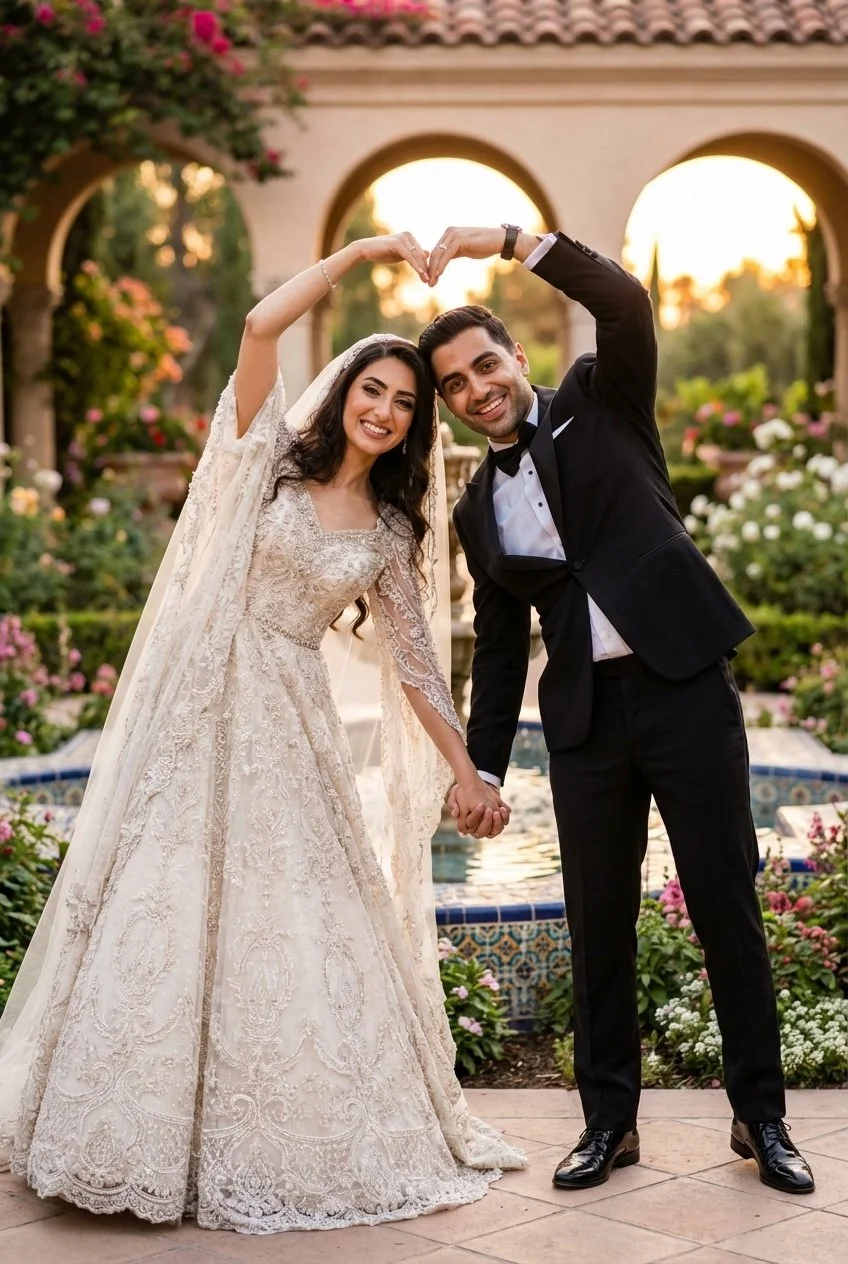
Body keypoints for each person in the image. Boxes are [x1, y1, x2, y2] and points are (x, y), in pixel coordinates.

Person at [0, 231, 523, 1234]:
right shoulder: (263, 462)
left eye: (405, 403)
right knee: (163, 902)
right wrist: (365, 248)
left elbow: (416, 664)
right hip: (199, 706)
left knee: (294, 915)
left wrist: (468, 772)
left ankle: (282, 1129)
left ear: (414, 427)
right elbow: (257, 324)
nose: (383, 409)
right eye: (372, 388)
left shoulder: (387, 528)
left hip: (290, 721)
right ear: (341, 393)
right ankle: (122, 1132)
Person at [418, 224, 815, 1196]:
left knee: (725, 907)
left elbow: (624, 300)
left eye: (484, 365)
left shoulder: (601, 400)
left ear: (514, 355)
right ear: (450, 406)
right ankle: (608, 1125)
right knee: (596, 925)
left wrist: (508, 240)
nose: (477, 389)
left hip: (684, 691)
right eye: (456, 386)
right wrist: (474, 770)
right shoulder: (475, 511)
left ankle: (758, 1118)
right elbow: (502, 649)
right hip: (586, 724)